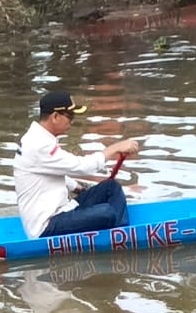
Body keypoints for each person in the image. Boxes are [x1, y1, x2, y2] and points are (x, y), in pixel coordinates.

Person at [13, 91, 141, 239]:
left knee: (111, 187)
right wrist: (115, 148)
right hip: (47, 225)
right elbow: (82, 167)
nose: (72, 122)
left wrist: (75, 187)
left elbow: (48, 171)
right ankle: (120, 238)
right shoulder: (39, 145)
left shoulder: (37, 137)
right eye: (70, 116)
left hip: (62, 210)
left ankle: (120, 234)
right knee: (106, 212)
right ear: (55, 117)